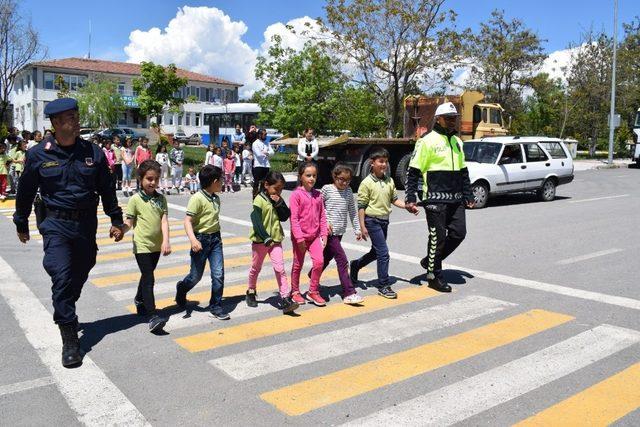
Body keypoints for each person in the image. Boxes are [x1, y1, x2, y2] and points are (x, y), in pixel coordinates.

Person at [13, 98, 125, 368]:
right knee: (60, 276)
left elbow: (107, 189)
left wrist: (116, 220)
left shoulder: (93, 152)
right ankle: (69, 337)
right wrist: (21, 222)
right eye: (69, 118)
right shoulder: (39, 154)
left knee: (85, 266)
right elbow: (26, 190)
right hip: (55, 224)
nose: (75, 121)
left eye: (76, 116)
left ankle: (66, 304)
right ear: (55, 123)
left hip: (86, 224)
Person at [404, 101, 474, 293]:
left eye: (455, 118)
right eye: (449, 118)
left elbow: (463, 171)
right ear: (439, 118)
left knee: (459, 233)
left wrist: (468, 194)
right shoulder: (426, 141)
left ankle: (430, 260)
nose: (453, 122)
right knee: (438, 237)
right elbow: (413, 171)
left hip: (456, 197)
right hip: (434, 198)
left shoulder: (458, 142)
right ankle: (434, 276)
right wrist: (410, 197)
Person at [350, 148, 416, 299]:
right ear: (372, 163)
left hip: (384, 221)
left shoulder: (389, 180)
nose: (383, 164)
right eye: (380, 161)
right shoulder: (366, 183)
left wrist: (407, 207)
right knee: (384, 253)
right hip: (371, 220)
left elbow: (394, 199)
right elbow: (361, 206)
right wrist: (362, 226)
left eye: (385, 161)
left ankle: (356, 265)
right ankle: (383, 285)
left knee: (376, 252)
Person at [122, 160, 171, 333]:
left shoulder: (161, 199)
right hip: (141, 245)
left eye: (156, 179)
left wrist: (166, 240)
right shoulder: (135, 199)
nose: (153, 182)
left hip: (156, 245)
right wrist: (121, 230)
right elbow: (129, 222)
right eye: (149, 179)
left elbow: (164, 221)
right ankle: (153, 316)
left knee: (146, 275)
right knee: (149, 278)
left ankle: (139, 299)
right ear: (141, 179)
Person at [174, 165, 229, 320]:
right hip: (200, 240)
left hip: (216, 240)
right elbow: (187, 221)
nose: (223, 183)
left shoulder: (216, 198)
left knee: (218, 274)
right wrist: (193, 240)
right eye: (221, 180)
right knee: (195, 276)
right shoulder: (197, 198)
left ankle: (216, 306)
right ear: (214, 181)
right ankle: (182, 288)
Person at [246, 171, 298, 313]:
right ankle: (251, 290)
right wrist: (265, 238)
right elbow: (256, 222)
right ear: (266, 185)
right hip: (260, 241)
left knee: (280, 269)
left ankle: (285, 298)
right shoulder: (259, 200)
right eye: (276, 188)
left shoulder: (277, 199)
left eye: (281, 189)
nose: (279, 192)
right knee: (256, 267)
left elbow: (285, 216)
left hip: (275, 240)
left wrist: (279, 203)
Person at [320, 164, 364, 304]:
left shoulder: (348, 191)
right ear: (334, 176)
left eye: (347, 180)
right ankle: (349, 292)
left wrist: (357, 229)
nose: (344, 183)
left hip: (340, 232)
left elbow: (352, 211)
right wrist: (325, 222)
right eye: (341, 179)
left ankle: (312, 278)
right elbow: (319, 207)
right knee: (342, 260)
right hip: (329, 232)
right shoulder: (327, 189)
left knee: (325, 258)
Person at [289, 162, 328, 306]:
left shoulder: (318, 195)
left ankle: (313, 291)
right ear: (301, 177)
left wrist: (324, 234)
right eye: (308, 175)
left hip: (315, 237)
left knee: (319, 262)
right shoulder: (296, 195)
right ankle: (295, 291)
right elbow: (294, 219)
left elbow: (322, 216)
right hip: (300, 238)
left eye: (314, 175)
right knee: (298, 264)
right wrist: (299, 238)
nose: (311, 178)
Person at [251, 128, 274, 198]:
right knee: (256, 182)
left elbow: (272, 152)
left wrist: (266, 152)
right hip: (258, 165)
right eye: (264, 134)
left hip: (266, 165)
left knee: (265, 182)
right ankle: (254, 196)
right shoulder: (255, 143)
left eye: (266, 134)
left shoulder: (267, 143)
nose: (265, 135)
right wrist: (267, 153)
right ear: (259, 134)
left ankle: (262, 195)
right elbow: (258, 154)